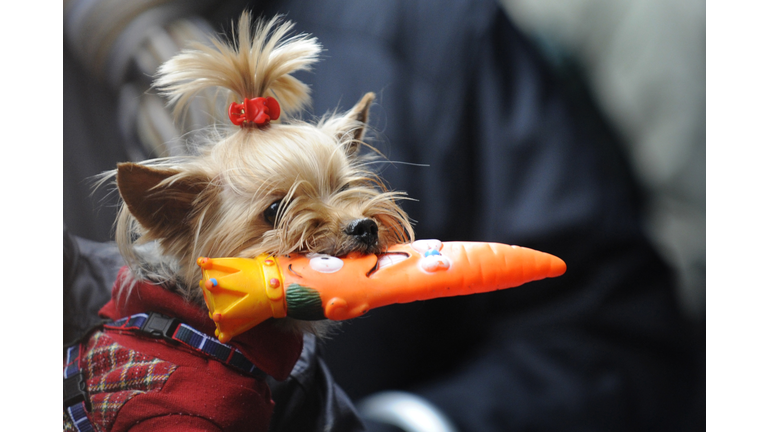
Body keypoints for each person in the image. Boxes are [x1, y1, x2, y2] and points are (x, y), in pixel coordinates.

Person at [64, 0, 704, 430]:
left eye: (351, 186)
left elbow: (610, 330)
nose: (356, 225)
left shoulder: (438, 30)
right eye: (280, 209)